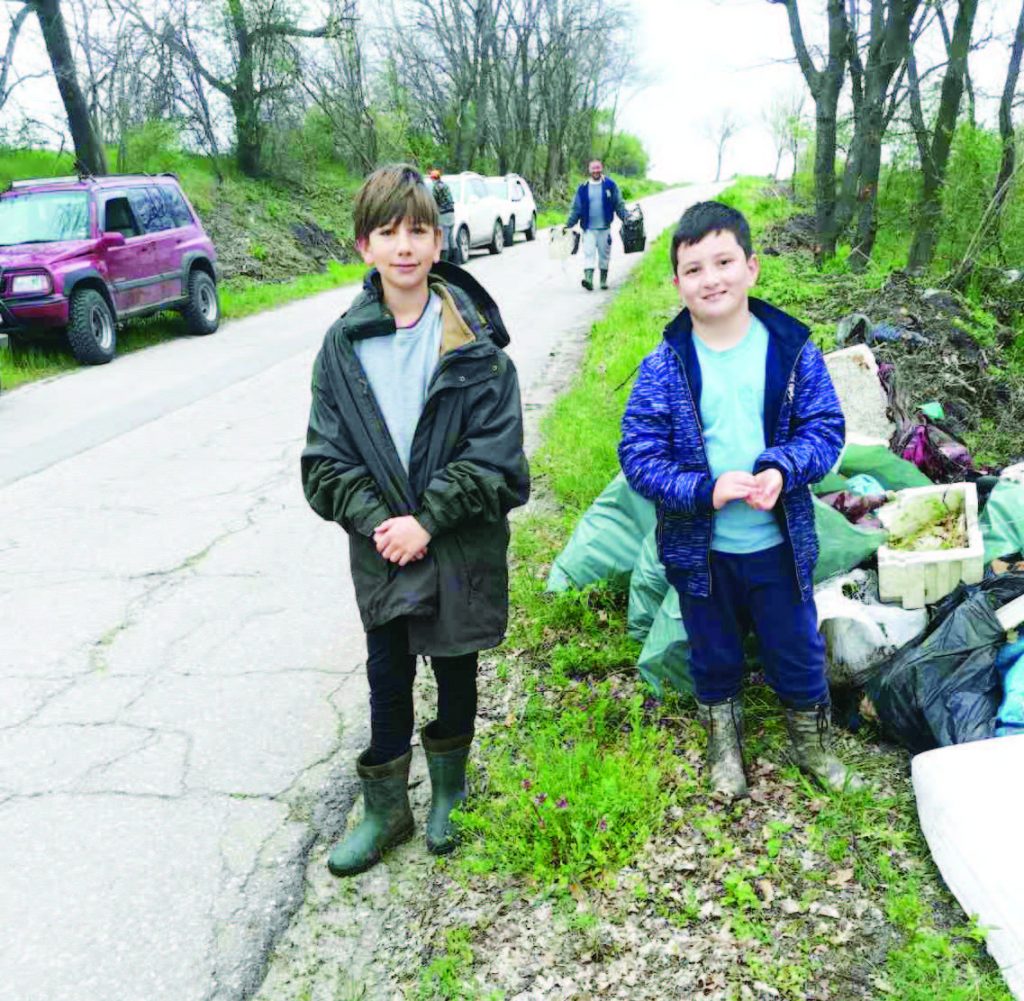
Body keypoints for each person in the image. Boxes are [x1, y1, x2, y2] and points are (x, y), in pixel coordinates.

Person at [301, 164, 530, 876]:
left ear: (439, 241)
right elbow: (324, 462)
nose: (405, 245)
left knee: (455, 659)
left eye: (419, 230)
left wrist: (428, 520)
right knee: (387, 669)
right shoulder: (341, 348)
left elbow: (497, 457)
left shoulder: (474, 344)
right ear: (363, 244)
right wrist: (384, 524)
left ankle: (449, 794)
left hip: (456, 541)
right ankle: (385, 810)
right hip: (382, 547)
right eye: (388, 231)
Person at [618, 200, 863, 802]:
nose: (712, 278)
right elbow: (639, 456)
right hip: (702, 552)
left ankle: (811, 746)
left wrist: (783, 466)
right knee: (714, 651)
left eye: (724, 261)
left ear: (751, 267)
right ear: (677, 283)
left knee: (797, 647)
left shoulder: (791, 350)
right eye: (694, 269)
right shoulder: (663, 366)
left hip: (778, 544)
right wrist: (704, 490)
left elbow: (825, 430)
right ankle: (725, 749)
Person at [565, 159, 627, 291]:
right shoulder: (583, 188)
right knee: (589, 253)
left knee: (604, 255)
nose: (596, 171)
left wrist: (626, 217)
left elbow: (619, 204)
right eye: (593, 168)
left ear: (602, 168)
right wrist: (568, 224)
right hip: (588, 229)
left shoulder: (610, 185)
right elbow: (576, 208)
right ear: (589, 170)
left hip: (604, 228)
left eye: (598, 168)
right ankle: (588, 280)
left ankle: (603, 281)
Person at [429, 168, 455, 262]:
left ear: (433, 178)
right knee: (451, 239)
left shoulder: (436, 188)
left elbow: (433, 201)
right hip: (451, 213)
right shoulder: (446, 186)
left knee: (444, 240)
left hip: (443, 215)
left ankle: (445, 262)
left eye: (431, 178)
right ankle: (456, 261)